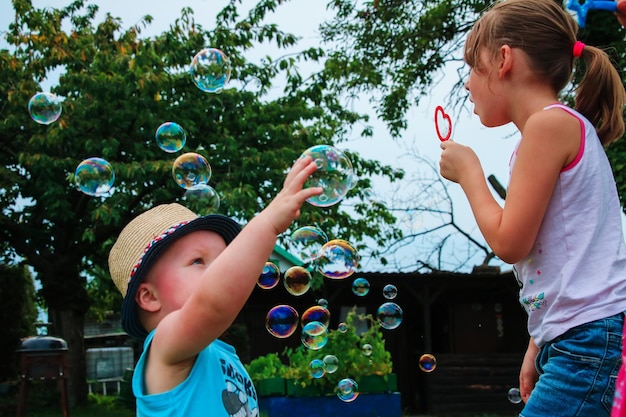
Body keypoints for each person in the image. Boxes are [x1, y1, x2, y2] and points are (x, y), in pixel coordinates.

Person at [438, 0, 626, 415]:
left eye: (472, 66)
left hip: (587, 342)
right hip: (577, 338)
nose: (467, 84)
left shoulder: (549, 126)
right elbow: (570, 259)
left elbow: (510, 243)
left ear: (504, 59)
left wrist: (470, 173)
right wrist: (538, 341)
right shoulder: (553, 128)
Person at [108, 156, 321, 417]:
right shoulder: (165, 348)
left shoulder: (221, 353)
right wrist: (268, 224)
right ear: (150, 296)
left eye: (222, 260)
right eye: (198, 260)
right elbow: (212, 305)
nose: (219, 271)